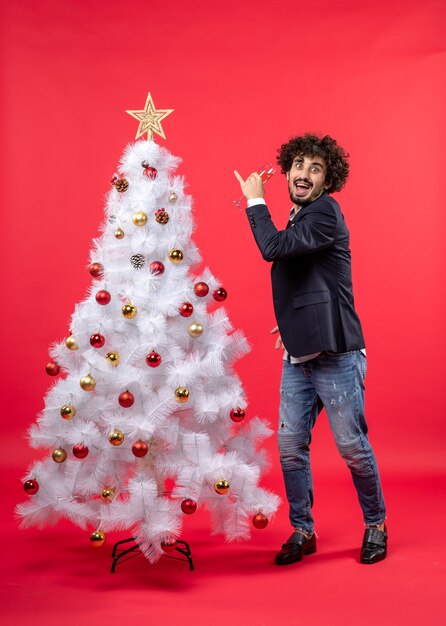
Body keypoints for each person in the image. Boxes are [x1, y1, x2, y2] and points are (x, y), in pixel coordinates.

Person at [234, 133, 387, 565]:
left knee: (352, 447)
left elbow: (273, 249)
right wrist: (292, 325)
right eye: (298, 165)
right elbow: (311, 279)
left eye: (315, 168)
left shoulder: (325, 213)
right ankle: (303, 530)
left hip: (337, 355)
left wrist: (253, 200)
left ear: (327, 180)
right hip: (299, 355)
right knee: (290, 447)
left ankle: (376, 524)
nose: (303, 174)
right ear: (289, 170)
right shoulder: (301, 215)